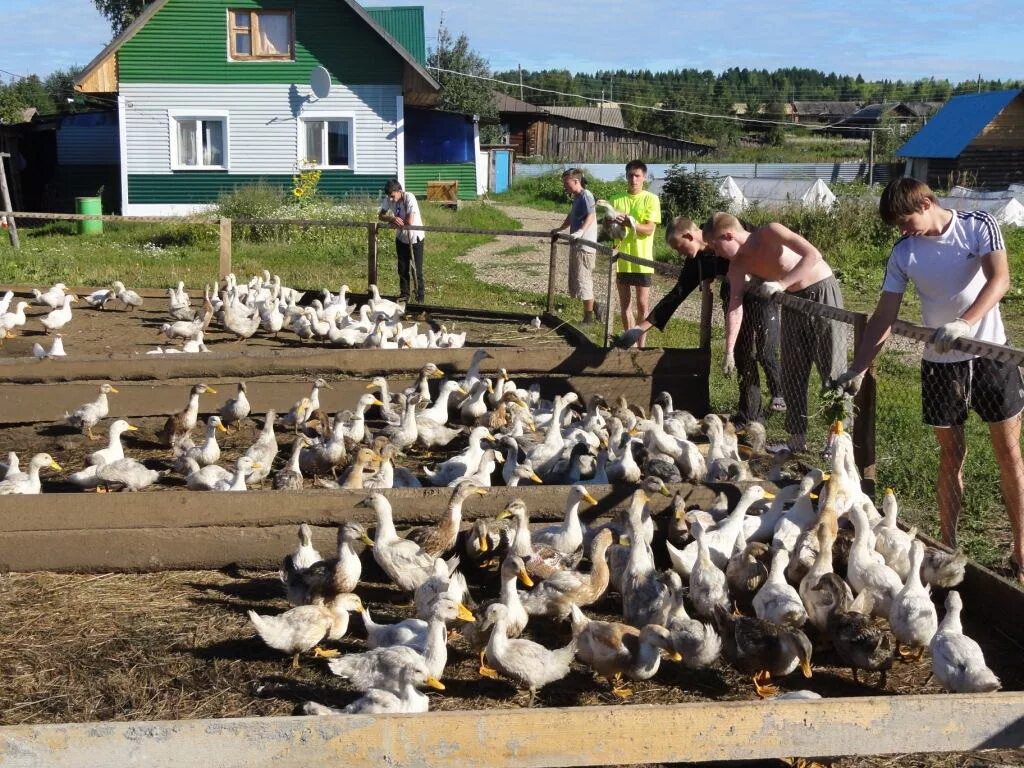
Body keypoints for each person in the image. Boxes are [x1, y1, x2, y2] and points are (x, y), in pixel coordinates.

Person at [833, 178, 1024, 582]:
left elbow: (1000, 279)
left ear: (927, 202)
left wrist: (965, 323)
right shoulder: (904, 252)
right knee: (951, 454)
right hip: (941, 364)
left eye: (906, 220)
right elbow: (884, 314)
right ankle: (947, 544)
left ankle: (1021, 551)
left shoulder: (979, 225)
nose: (903, 230)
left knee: (1008, 452)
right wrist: (860, 365)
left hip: (991, 355)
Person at [617, 216, 785, 423]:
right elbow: (676, 294)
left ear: (689, 235)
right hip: (734, 297)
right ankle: (750, 414)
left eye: (680, 247)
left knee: (765, 347)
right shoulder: (696, 262)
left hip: (761, 292)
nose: (680, 253)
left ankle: (780, 393)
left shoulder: (720, 230)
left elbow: (757, 241)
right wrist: (640, 328)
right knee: (742, 355)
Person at [707, 212, 845, 452]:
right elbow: (734, 306)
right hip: (791, 301)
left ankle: (837, 441)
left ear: (728, 235)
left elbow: (813, 255)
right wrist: (729, 350)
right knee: (793, 371)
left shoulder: (771, 232)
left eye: (716, 246)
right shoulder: (738, 265)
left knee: (830, 369)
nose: (716, 253)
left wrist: (782, 283)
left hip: (821, 293)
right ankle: (796, 439)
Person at [609, 160, 661, 347]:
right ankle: (628, 343)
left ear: (644, 177)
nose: (633, 179)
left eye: (637, 175)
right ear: (626, 176)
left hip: (642, 259)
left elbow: (649, 229)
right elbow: (608, 230)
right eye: (630, 175)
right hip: (621, 259)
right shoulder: (616, 199)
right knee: (625, 306)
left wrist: (631, 223)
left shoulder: (651, 199)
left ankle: (641, 346)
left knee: (642, 305)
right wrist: (610, 223)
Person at [552, 168, 599, 323]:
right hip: (576, 245)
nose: (565, 187)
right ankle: (597, 307)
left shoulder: (587, 195)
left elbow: (591, 215)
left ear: (576, 181)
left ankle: (588, 319)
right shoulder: (577, 198)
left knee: (584, 281)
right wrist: (560, 229)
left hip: (585, 247)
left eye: (567, 183)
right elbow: (571, 216)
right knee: (578, 281)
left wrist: (580, 231)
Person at [378, 179, 425, 302]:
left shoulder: (409, 198)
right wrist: (391, 218)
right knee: (402, 268)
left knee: (416, 269)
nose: (391, 199)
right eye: (389, 197)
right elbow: (381, 215)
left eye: (393, 196)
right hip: (401, 238)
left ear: (399, 191)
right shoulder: (389, 198)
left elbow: (409, 221)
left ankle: (420, 297)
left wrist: (397, 222)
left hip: (415, 238)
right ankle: (405, 295)